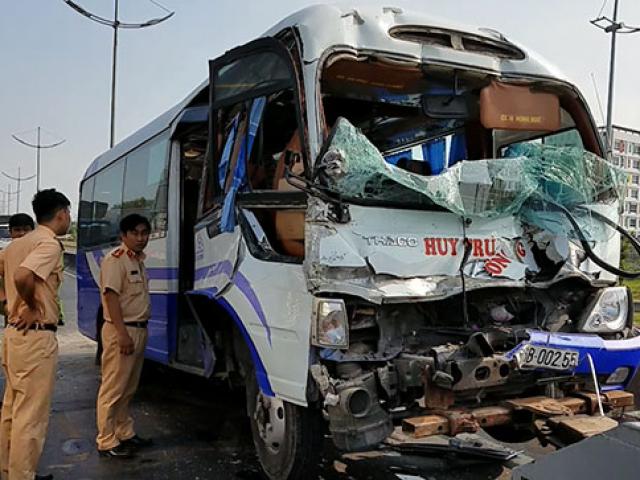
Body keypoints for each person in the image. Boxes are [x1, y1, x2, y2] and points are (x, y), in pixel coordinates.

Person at [0, 190, 71, 480]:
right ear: (62, 213)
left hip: (13, 336)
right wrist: (29, 305)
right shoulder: (47, 243)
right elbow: (22, 276)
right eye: (69, 213)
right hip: (35, 337)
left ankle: (10, 471)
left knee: (12, 411)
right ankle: (22, 476)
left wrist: (7, 304)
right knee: (31, 417)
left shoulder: (18, 243)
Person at [96, 214, 153, 459]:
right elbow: (110, 297)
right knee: (113, 388)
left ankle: (124, 432)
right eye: (135, 233)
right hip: (123, 330)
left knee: (128, 388)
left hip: (138, 329)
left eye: (144, 233)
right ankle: (106, 440)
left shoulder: (138, 260)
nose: (141, 238)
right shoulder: (115, 260)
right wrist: (121, 334)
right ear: (123, 236)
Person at [0, 214, 36, 319]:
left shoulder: (42, 253)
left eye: (26, 229)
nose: (22, 233)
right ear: (10, 232)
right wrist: (4, 303)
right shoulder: (5, 254)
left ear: (33, 232)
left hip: (39, 313)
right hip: (15, 314)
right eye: (17, 230)